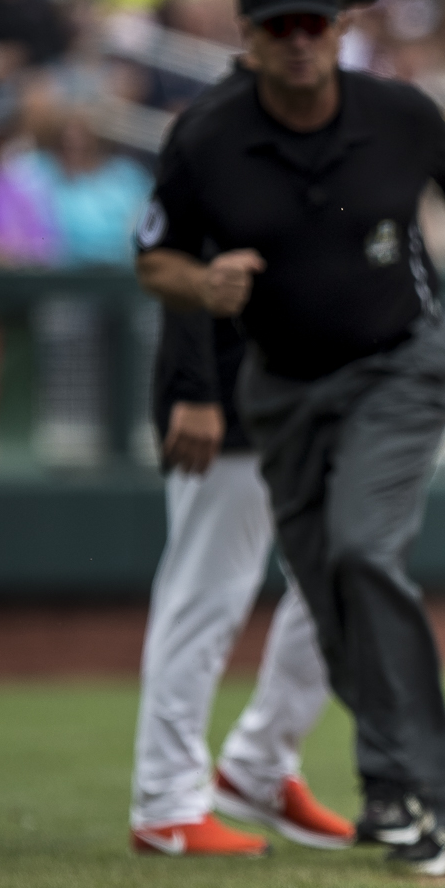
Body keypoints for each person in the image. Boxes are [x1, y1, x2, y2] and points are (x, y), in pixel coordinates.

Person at [134, 0, 445, 876]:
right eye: (282, 26)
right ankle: (416, 792)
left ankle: (400, 792)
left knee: (360, 550)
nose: (301, 40)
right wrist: (202, 284)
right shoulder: (207, 134)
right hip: (279, 384)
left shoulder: (397, 111)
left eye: (317, 22)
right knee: (324, 592)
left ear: (344, 27)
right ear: (250, 38)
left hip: (401, 363)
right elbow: (153, 258)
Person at [129, 303, 346, 858]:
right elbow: (178, 268)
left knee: (345, 574)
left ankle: (260, 765)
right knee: (205, 598)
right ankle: (166, 803)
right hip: (224, 399)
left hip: (312, 396)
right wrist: (195, 392)